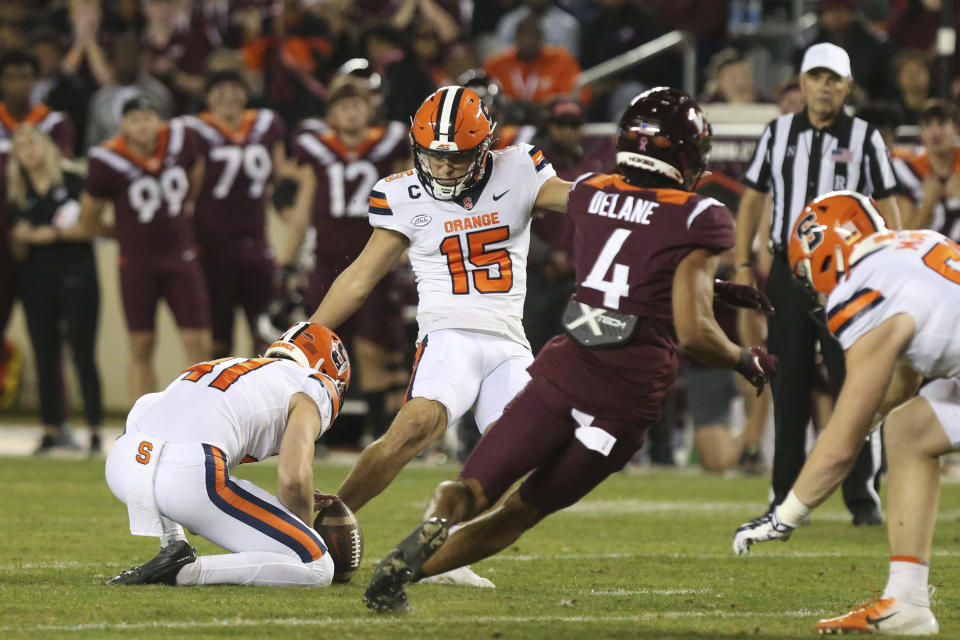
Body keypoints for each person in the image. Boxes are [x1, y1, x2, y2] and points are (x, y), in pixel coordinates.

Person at [361, 87, 778, 612]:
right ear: (689, 156)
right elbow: (693, 332)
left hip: (562, 370)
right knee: (520, 511)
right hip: (626, 394)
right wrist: (747, 359)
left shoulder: (591, 192)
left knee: (471, 487)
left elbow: (626, 261)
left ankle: (419, 540)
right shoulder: (701, 215)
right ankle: (407, 575)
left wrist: (705, 286)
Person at [307, 85, 572, 515]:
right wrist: (310, 332)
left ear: (485, 148)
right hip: (449, 333)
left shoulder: (519, 169)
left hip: (509, 341)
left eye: (459, 156)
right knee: (415, 425)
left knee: (522, 451)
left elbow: (577, 199)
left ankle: (446, 547)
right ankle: (328, 521)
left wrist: (634, 198)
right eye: (436, 155)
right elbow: (360, 277)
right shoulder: (401, 194)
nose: (446, 167)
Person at [731, 191, 953, 635]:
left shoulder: (862, 288)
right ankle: (906, 601)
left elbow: (841, 443)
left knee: (903, 428)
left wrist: (785, 514)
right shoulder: (919, 242)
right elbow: (905, 380)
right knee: (910, 429)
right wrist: (868, 420)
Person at [734, 42, 902, 526]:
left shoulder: (866, 137)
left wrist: (887, 262)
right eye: (816, 77)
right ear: (802, 83)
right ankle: (784, 499)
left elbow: (887, 204)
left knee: (857, 386)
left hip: (849, 276)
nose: (825, 86)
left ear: (847, 86)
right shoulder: (778, 132)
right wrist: (744, 261)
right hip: (789, 272)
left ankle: (863, 500)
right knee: (789, 385)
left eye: (834, 79)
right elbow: (752, 197)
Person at [104, 322, 349, 588]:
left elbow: (146, 408)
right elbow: (293, 479)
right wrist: (302, 531)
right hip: (186, 478)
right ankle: (184, 572)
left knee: (189, 479)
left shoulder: (230, 365)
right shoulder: (312, 387)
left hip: (122, 465)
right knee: (316, 564)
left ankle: (172, 544)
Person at [280, 76, 410, 445]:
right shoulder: (316, 149)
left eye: (356, 105)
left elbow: (407, 198)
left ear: (369, 108)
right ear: (331, 112)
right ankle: (312, 436)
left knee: (372, 349)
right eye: (343, 106)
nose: (350, 112)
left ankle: (380, 435)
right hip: (328, 256)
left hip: (374, 254)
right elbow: (304, 206)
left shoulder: (389, 142)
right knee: (317, 345)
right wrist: (287, 262)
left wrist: (407, 250)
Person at [64, 95, 211, 402]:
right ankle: (144, 426)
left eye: (148, 118)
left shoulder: (181, 140)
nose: (143, 126)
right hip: (137, 263)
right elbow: (88, 218)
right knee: (142, 344)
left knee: (199, 342)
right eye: (135, 119)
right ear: (123, 125)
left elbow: (197, 168)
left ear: (158, 121)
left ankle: (200, 419)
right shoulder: (107, 159)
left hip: (181, 256)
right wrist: (122, 234)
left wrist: (187, 204)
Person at [7, 126, 102, 454]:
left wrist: (54, 235)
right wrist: (22, 239)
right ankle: (51, 428)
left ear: (45, 147)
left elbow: (91, 227)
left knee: (82, 352)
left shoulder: (73, 181)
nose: (28, 152)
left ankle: (94, 428)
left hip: (77, 274)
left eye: (32, 143)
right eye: (21, 147)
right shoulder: (19, 194)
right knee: (45, 353)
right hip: (37, 278)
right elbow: (19, 248)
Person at [184, 70, 287, 358]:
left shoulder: (266, 123)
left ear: (245, 94)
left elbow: (282, 177)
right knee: (218, 339)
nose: (228, 97)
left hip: (255, 240)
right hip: (211, 244)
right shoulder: (194, 130)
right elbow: (187, 188)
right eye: (220, 90)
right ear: (208, 98)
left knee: (266, 334)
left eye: (234, 89)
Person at [902, 99, 960, 239]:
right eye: (928, 125)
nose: (935, 131)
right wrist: (928, 203)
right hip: (925, 256)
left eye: (942, 124)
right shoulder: (907, 171)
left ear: (955, 129)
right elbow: (904, 236)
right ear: (920, 133)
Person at [0, 50, 75, 157]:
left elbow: (62, 163)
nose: (18, 85)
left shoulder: (55, 123)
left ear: (35, 80)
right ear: (1, 81)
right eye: (11, 78)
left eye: (24, 77)